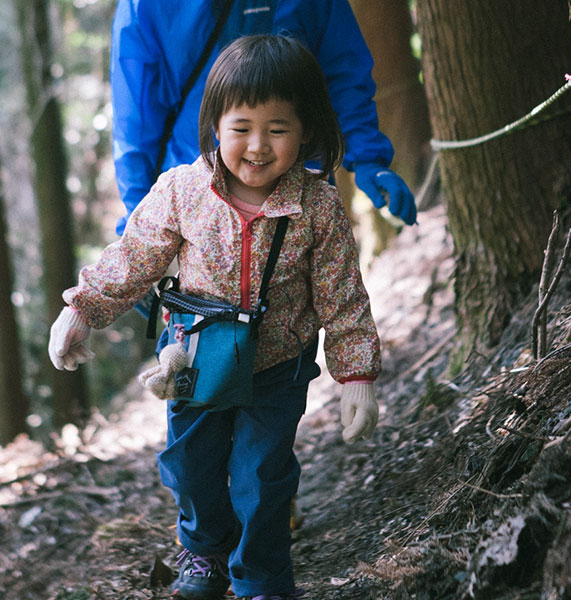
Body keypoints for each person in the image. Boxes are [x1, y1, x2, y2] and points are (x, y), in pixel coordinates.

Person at [49, 35, 381, 599]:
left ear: (306, 131)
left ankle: (263, 577)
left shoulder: (317, 206)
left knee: (263, 476)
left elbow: (342, 295)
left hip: (278, 367)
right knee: (191, 467)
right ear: (215, 125)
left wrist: (357, 374)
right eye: (242, 127)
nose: (258, 145)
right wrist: (82, 309)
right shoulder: (182, 191)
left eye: (278, 129)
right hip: (194, 359)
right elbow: (134, 257)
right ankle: (205, 553)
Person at [109, 0, 417, 238]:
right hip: (195, 202)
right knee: (200, 316)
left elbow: (342, 71)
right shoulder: (146, 5)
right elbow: (135, 115)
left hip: (299, 193)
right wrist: (139, 220)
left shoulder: (319, 210)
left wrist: (368, 160)